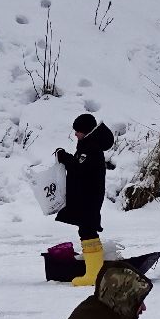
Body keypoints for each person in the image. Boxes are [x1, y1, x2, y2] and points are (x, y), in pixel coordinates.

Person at [55, 113, 115, 288]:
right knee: (87, 230)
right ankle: (94, 272)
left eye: (78, 131)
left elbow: (78, 168)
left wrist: (63, 157)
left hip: (89, 197)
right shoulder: (89, 145)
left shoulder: (91, 147)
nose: (75, 134)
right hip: (89, 196)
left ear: (86, 131)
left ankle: (94, 275)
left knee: (88, 231)